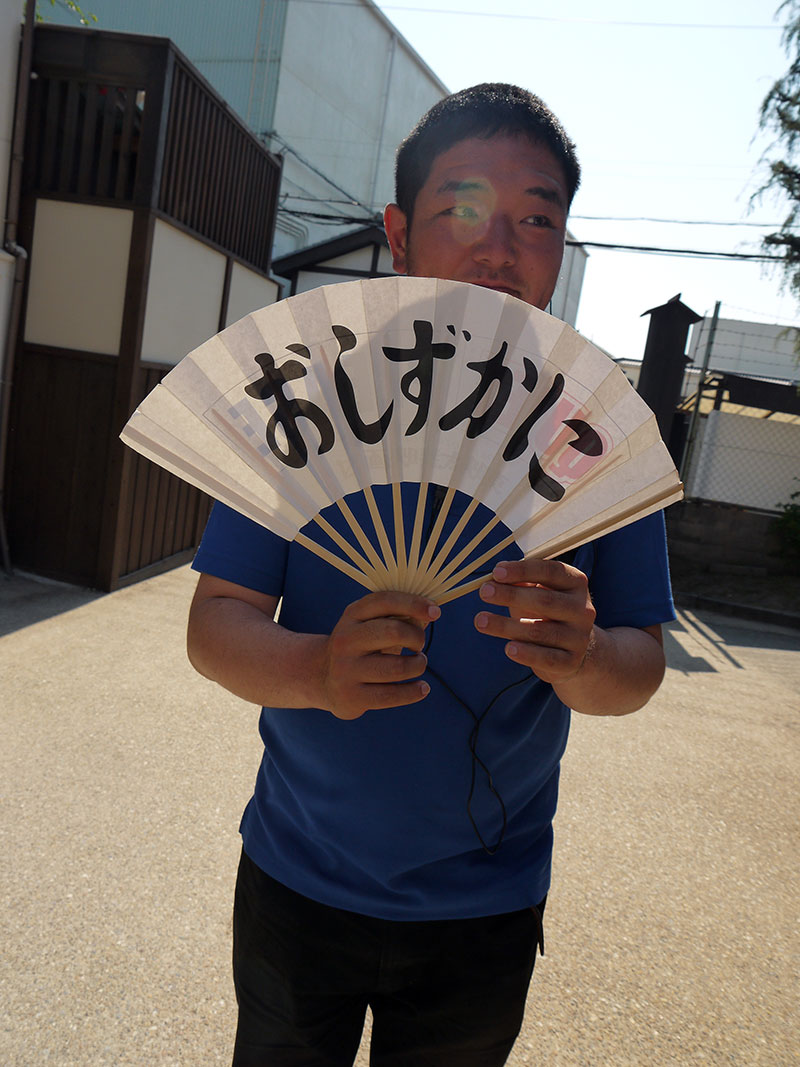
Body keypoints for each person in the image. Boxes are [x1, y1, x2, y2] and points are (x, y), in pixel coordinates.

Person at [187, 83, 674, 1066]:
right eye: (463, 208)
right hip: (297, 875)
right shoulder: (306, 400)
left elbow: (640, 662)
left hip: (484, 901)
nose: (499, 245)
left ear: (560, 245)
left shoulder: (592, 433)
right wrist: (317, 671)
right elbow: (217, 622)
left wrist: (580, 660)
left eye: (535, 217)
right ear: (398, 231)